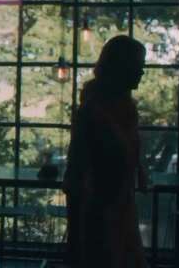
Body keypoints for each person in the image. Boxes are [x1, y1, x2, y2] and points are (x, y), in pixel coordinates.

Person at [63, 35, 149, 268]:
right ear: (122, 68)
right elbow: (77, 168)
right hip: (98, 210)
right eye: (138, 66)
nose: (142, 72)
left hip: (120, 205)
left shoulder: (126, 110)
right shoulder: (93, 112)